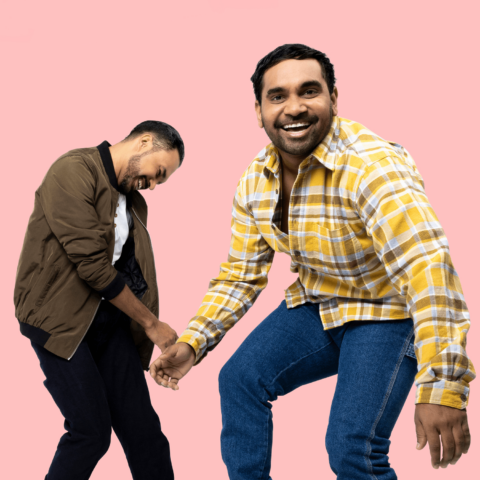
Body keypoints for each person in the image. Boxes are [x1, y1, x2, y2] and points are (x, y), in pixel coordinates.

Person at [150, 44, 475, 479]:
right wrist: (193, 342)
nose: (294, 107)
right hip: (321, 305)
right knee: (239, 380)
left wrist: (443, 387)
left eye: (309, 91)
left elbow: (428, 268)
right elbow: (240, 277)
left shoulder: (370, 166)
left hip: (388, 312)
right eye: (278, 96)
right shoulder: (255, 181)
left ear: (333, 99)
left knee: (351, 448)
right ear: (259, 109)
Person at [14, 120, 184, 480]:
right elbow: (91, 266)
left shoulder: (133, 202)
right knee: (90, 433)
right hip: (59, 322)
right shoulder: (74, 170)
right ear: (144, 141)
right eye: (158, 173)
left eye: (160, 181)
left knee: (145, 434)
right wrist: (151, 325)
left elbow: (132, 271)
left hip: (107, 321)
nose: (153, 185)